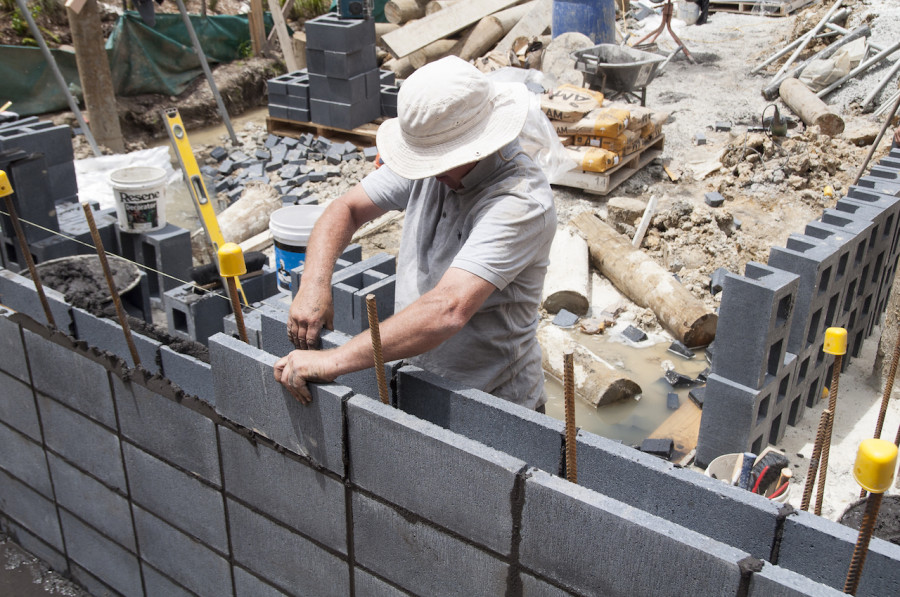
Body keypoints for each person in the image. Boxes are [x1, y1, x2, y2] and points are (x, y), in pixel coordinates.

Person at [274, 56, 557, 411]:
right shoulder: (431, 156)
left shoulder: (521, 201)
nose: (429, 172)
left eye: (437, 161)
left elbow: (447, 309)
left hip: (494, 400)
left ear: (478, 142)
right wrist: (314, 285)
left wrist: (332, 360)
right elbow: (346, 209)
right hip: (419, 378)